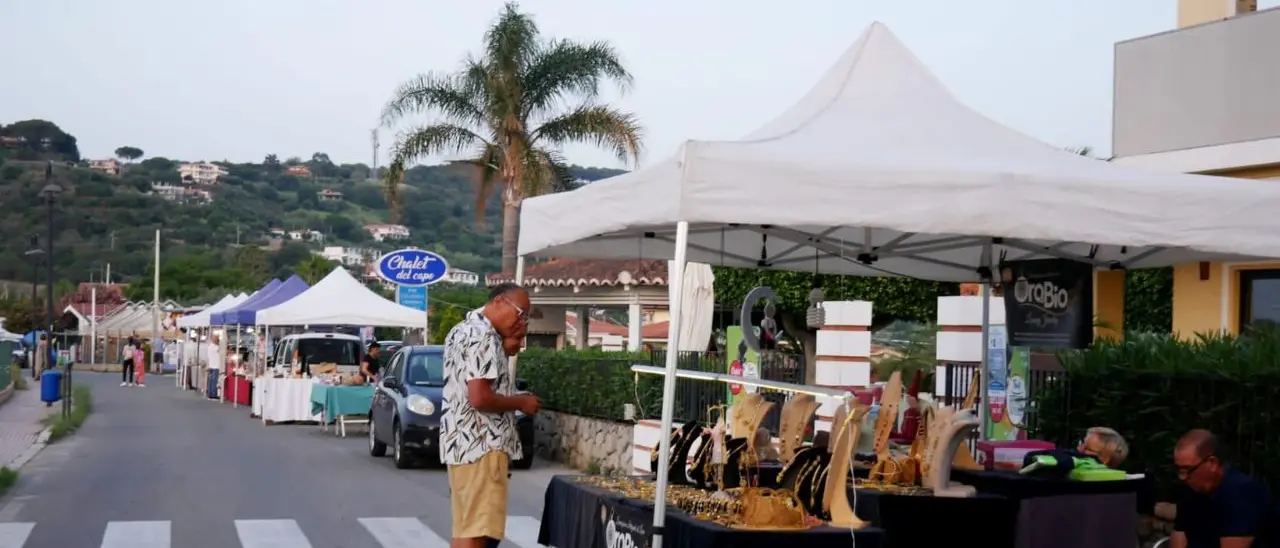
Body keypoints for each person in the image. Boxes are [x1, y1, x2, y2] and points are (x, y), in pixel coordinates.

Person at [440, 283, 540, 548]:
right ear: (498, 302)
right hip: (482, 445)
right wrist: (521, 402)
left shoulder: (464, 330)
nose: (522, 321)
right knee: (480, 533)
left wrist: (506, 346)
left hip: (462, 444)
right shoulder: (483, 336)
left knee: (467, 528)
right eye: (521, 313)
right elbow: (480, 397)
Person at [1169, 429, 1276, 548]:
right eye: (1179, 470)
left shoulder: (1241, 493)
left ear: (1213, 463)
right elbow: (1179, 534)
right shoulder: (1192, 490)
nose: (1182, 477)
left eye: (1188, 469)